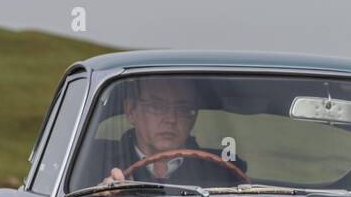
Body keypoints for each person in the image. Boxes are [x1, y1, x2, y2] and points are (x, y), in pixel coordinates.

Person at [95, 77, 246, 187]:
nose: (171, 119)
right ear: (131, 111)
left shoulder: (223, 171)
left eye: (183, 109)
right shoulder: (94, 162)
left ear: (194, 118)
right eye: (156, 106)